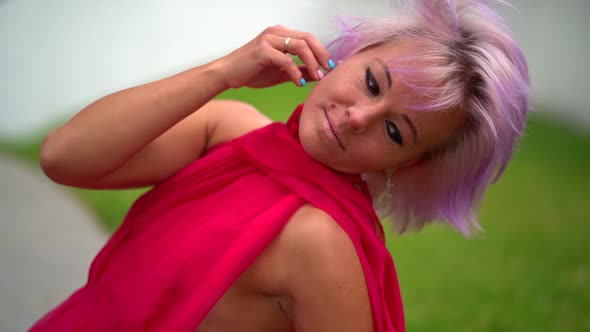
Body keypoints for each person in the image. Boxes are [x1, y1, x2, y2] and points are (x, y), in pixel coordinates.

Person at [30, 0, 529, 331]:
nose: (358, 117)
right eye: (373, 83)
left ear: (411, 163)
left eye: (395, 131)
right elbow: (63, 156)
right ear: (354, 52)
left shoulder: (322, 243)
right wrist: (222, 71)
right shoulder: (227, 129)